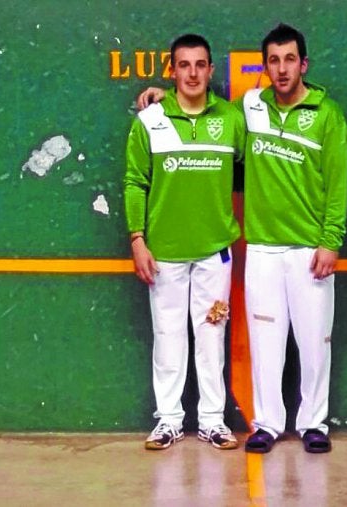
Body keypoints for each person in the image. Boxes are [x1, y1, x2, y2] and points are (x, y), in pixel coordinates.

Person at [136, 23, 347, 454]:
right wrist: (165, 97)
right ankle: (267, 424)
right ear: (265, 67)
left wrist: (331, 240)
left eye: (290, 59)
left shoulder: (328, 116)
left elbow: (338, 181)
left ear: (304, 64)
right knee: (265, 344)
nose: (282, 68)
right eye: (274, 60)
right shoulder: (250, 108)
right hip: (263, 248)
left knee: (314, 344)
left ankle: (314, 423)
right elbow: (200, 111)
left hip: (310, 248)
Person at [124, 33, 246, 451]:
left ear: (210, 70)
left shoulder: (232, 119)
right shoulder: (150, 121)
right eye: (184, 65)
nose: (192, 73)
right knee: (168, 335)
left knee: (211, 335)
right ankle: (169, 420)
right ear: (172, 71)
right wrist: (138, 239)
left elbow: (253, 164)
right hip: (164, 253)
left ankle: (212, 420)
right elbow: (135, 182)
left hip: (214, 252)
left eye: (199, 65)